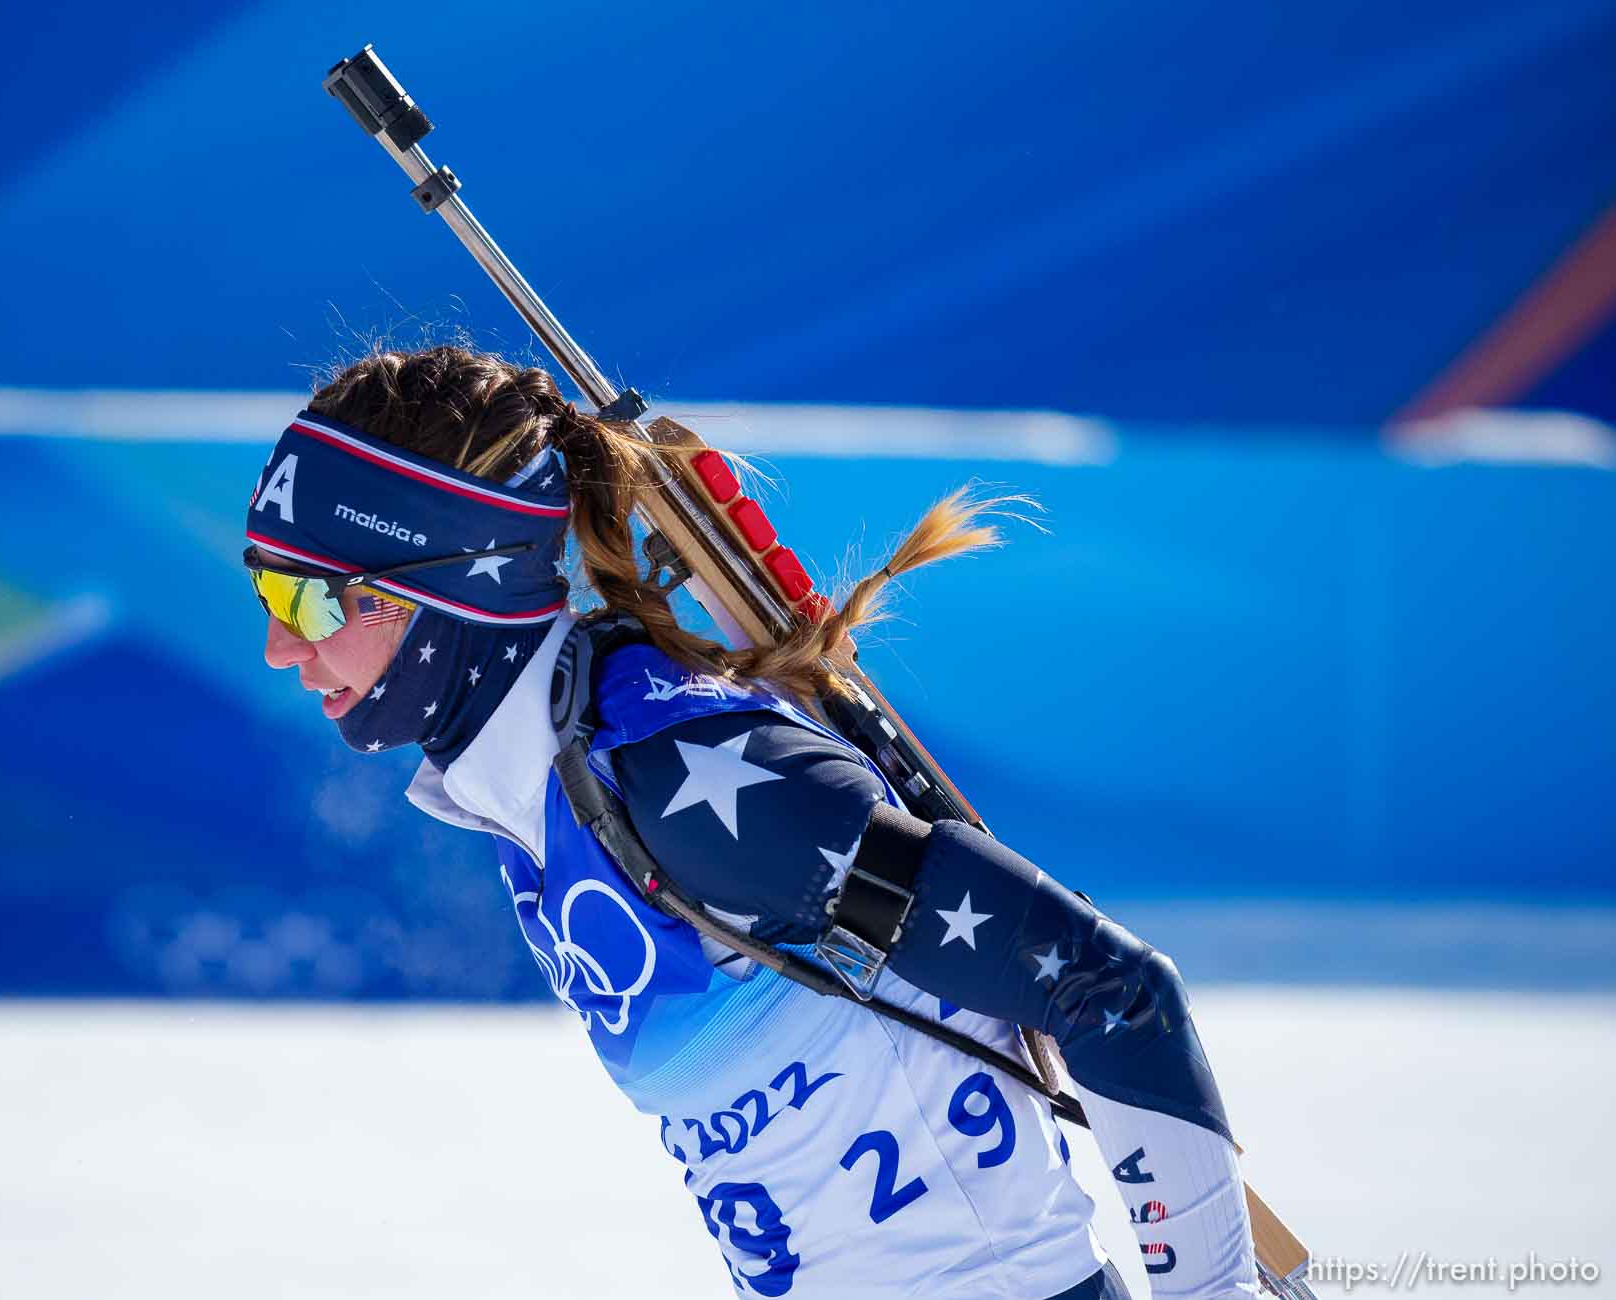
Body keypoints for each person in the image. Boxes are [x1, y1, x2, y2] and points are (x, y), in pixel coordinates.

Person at [246, 344, 1259, 1299]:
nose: (281, 648)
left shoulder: (678, 774)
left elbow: (1112, 991)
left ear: (454, 584)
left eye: (312, 600)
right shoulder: (541, 789)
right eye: (266, 590)